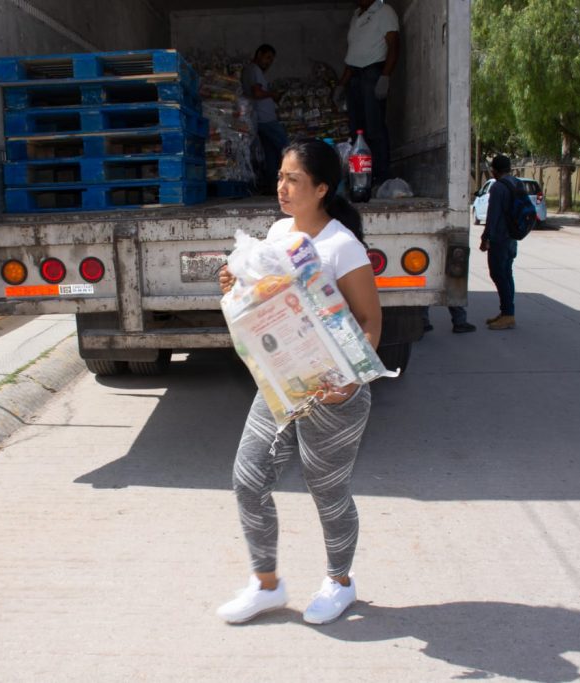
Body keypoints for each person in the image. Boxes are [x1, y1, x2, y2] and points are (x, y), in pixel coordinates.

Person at [216, 138, 381, 626]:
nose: (282, 187)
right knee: (248, 479)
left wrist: (348, 381)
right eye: (280, 177)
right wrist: (236, 283)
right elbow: (266, 295)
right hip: (282, 382)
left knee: (327, 489)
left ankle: (340, 582)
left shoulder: (342, 246)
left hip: (334, 391)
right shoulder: (278, 232)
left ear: (322, 188)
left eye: (294, 179)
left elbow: (370, 321)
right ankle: (266, 585)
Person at [333, 0, 399, 187]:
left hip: (373, 73)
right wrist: (341, 84)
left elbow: (394, 46)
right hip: (355, 77)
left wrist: (385, 76)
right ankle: (361, 177)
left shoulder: (384, 11)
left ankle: (382, 176)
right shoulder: (356, 16)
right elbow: (353, 55)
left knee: (374, 127)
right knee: (357, 131)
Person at [241, 44, 289, 193]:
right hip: (266, 119)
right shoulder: (254, 69)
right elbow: (257, 93)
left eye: (271, 60)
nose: (269, 62)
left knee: (270, 154)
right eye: (267, 58)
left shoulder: (249, 70)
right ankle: (298, 180)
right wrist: (273, 95)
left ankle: (272, 186)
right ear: (259, 54)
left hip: (259, 119)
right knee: (287, 148)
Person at [480, 154, 519, 330]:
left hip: (499, 239)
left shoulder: (497, 187)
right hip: (512, 237)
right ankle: (507, 312)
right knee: (507, 274)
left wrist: (485, 238)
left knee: (498, 274)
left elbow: (493, 216)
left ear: (495, 170)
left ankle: (508, 314)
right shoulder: (516, 183)